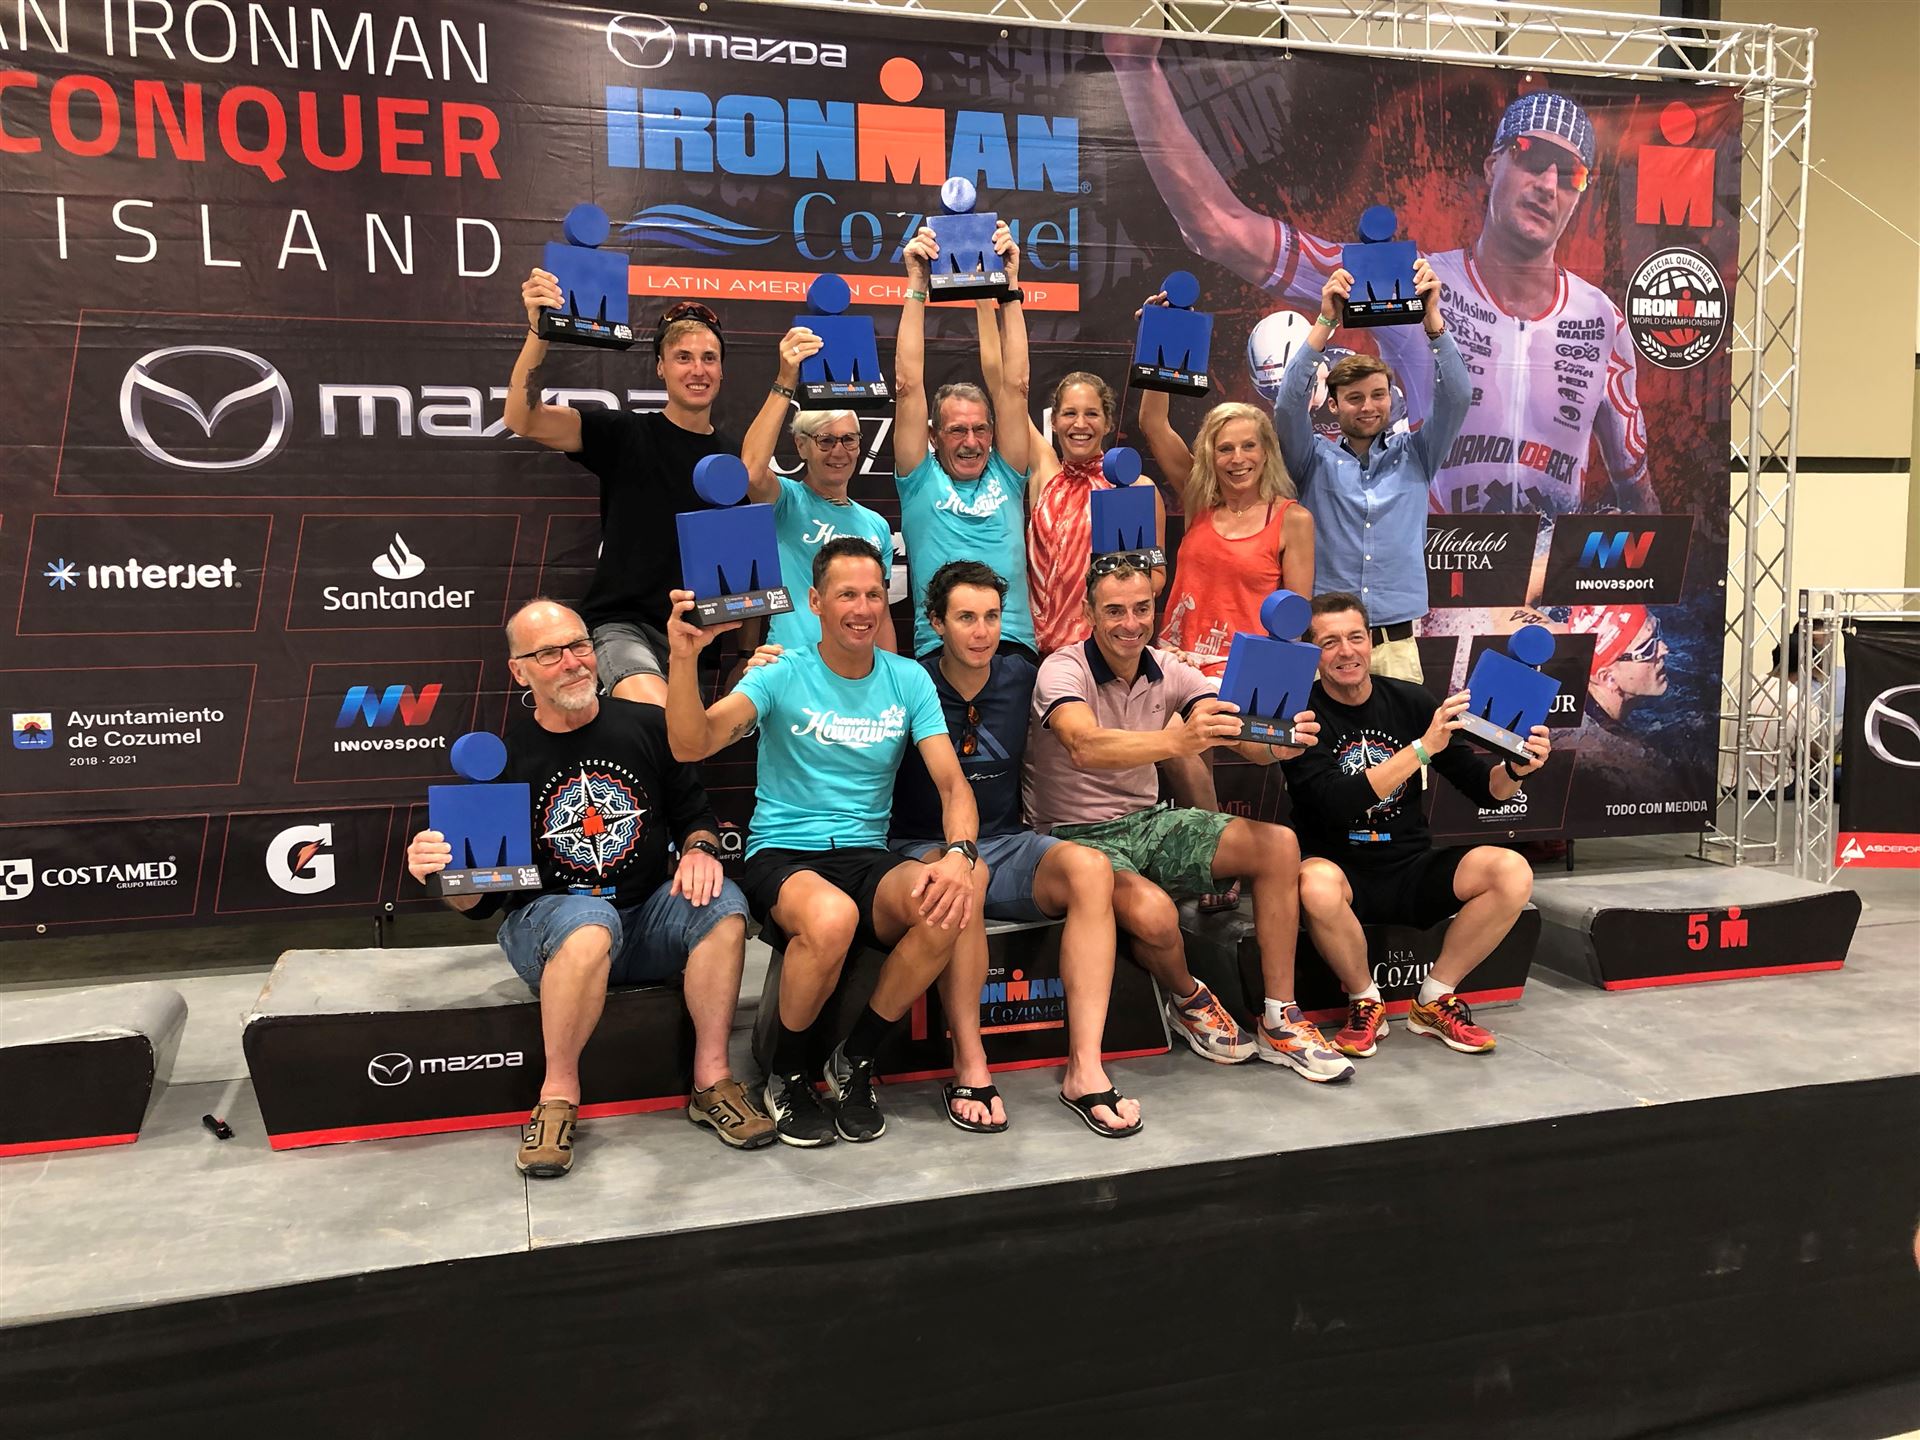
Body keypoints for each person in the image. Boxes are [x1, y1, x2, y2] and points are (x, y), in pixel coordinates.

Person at [1105, 38, 1656, 519]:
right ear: (1493, 166)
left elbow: (1639, 494)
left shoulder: (1602, 320)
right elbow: (1221, 231)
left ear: (1580, 193)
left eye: (1571, 173)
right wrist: (1134, 68)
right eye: (1532, 157)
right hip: (1437, 573)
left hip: (1549, 588)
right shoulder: (1412, 282)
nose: (1548, 184)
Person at [404, 599, 769, 1179]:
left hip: (645, 919)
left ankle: (712, 1081)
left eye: (579, 646)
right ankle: (557, 1097)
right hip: (550, 933)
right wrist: (441, 871)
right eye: (550, 653)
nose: (573, 662)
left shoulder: (649, 727)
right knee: (587, 921)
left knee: (724, 904)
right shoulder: (503, 760)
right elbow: (479, 902)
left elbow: (696, 817)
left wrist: (700, 849)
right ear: (519, 671)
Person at [664, 536, 979, 1147]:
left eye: (873, 594)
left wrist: (960, 856)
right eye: (846, 595)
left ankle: (854, 1060)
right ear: (815, 602)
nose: (862, 609)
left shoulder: (908, 678)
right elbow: (690, 742)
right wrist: (683, 659)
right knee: (832, 918)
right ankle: (787, 1075)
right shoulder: (780, 672)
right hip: (783, 854)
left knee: (946, 906)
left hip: (867, 855)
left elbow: (952, 785)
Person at [1023, 555, 1354, 1084]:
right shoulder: (1063, 669)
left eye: (1141, 608)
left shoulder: (1171, 669)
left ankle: (1280, 1016)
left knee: (1278, 845)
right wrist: (1178, 740)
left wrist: (1281, 745)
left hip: (1148, 823)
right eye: (1114, 610)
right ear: (1088, 612)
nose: (1130, 623)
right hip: (1072, 838)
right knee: (1156, 916)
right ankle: (1188, 997)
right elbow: (1084, 745)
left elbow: (1238, 735)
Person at [891, 560, 1142, 1137]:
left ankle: (1085, 1069)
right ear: (936, 623)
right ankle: (971, 1065)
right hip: (921, 847)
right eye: (965, 618)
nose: (981, 632)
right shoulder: (907, 681)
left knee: (1090, 869)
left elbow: (1101, 668)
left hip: (1007, 841)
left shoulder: (1024, 674)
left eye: (991, 617)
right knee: (965, 877)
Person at [1281, 592, 1547, 1059]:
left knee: (1511, 871)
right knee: (1313, 881)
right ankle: (1366, 1001)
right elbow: (1337, 803)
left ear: (1371, 643)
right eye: (1329, 642)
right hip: (1343, 870)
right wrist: (1421, 749)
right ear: (1312, 654)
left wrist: (1517, 770)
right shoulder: (1303, 716)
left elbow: (1485, 789)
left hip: (1410, 866)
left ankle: (1435, 999)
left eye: (1355, 637)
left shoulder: (1409, 700)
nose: (1346, 652)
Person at [505, 282, 735, 706]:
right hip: (623, 626)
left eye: (709, 358)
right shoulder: (625, 433)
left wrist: (745, 653)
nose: (697, 370)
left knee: (683, 743)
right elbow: (524, 418)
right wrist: (539, 333)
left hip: (698, 637)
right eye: (683, 357)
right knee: (659, 720)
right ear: (661, 367)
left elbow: (749, 563)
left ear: (722, 371)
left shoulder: (735, 461)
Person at [1266, 263, 1464, 685]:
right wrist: (1325, 321)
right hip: (1325, 644)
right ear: (1333, 406)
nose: (1369, 406)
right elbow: (1287, 405)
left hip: (1396, 647)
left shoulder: (1417, 454)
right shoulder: (1311, 458)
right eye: (1354, 398)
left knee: (1404, 732)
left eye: (1378, 395)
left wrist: (1432, 320)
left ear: (1391, 399)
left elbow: (1457, 396)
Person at [893, 223, 1036, 660]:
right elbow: (907, 386)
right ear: (933, 436)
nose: (971, 442)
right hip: (939, 651)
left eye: (980, 430)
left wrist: (1009, 287)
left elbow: (1017, 387)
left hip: (1012, 648)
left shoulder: (1007, 473)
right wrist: (917, 286)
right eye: (957, 430)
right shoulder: (918, 478)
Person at [738, 329, 897, 654]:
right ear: (801, 445)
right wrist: (786, 380)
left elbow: (881, 616)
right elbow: (751, 472)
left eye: (849, 439)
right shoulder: (786, 501)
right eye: (825, 440)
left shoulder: (876, 525)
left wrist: (889, 674)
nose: (839, 451)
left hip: (856, 671)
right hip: (792, 664)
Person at [1140, 395, 1314, 676]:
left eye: (1249, 446)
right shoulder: (1199, 499)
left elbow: (1293, 623)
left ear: (1267, 451)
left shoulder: (1293, 520)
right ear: (1211, 456)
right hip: (1175, 666)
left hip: (1242, 674)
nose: (1238, 458)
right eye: (1225, 449)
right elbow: (1153, 423)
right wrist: (1164, 368)